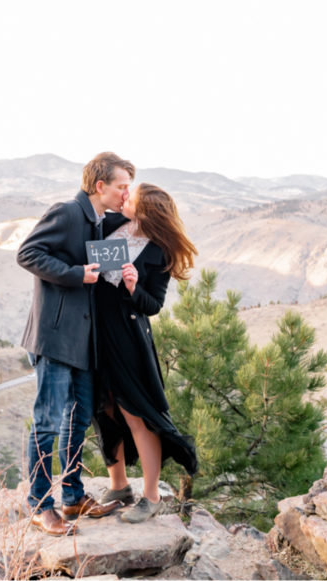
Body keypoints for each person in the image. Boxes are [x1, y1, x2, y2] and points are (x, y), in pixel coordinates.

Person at [17, 152, 135, 536]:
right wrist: (73, 274)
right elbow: (28, 253)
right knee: (48, 422)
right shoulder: (67, 212)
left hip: (83, 341)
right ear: (100, 186)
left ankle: (72, 496)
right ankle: (39, 505)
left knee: (78, 418)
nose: (125, 193)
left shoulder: (99, 221)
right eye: (121, 186)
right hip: (54, 338)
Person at [93, 183, 198, 523]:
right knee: (104, 410)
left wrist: (134, 287)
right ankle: (119, 484)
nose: (125, 196)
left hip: (127, 339)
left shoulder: (159, 252)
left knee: (136, 415)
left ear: (144, 210)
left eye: (131, 196)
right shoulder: (110, 225)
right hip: (94, 333)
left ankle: (150, 496)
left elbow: (154, 304)